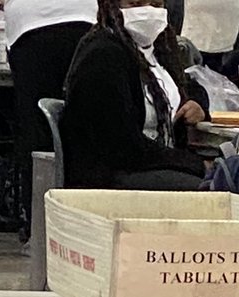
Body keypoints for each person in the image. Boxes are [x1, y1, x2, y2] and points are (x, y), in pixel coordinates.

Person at [0, 0, 97, 229]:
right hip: (85, 19)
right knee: (85, 126)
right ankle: (86, 220)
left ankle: (38, 226)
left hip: (31, 28)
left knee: (36, 130)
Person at [61, 0, 210, 189]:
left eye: (155, 5)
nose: (147, 11)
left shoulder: (158, 50)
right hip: (111, 177)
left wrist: (198, 104)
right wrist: (195, 164)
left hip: (149, 167)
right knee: (212, 186)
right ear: (112, 6)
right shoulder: (101, 55)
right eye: (135, 4)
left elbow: (189, 86)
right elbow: (124, 149)